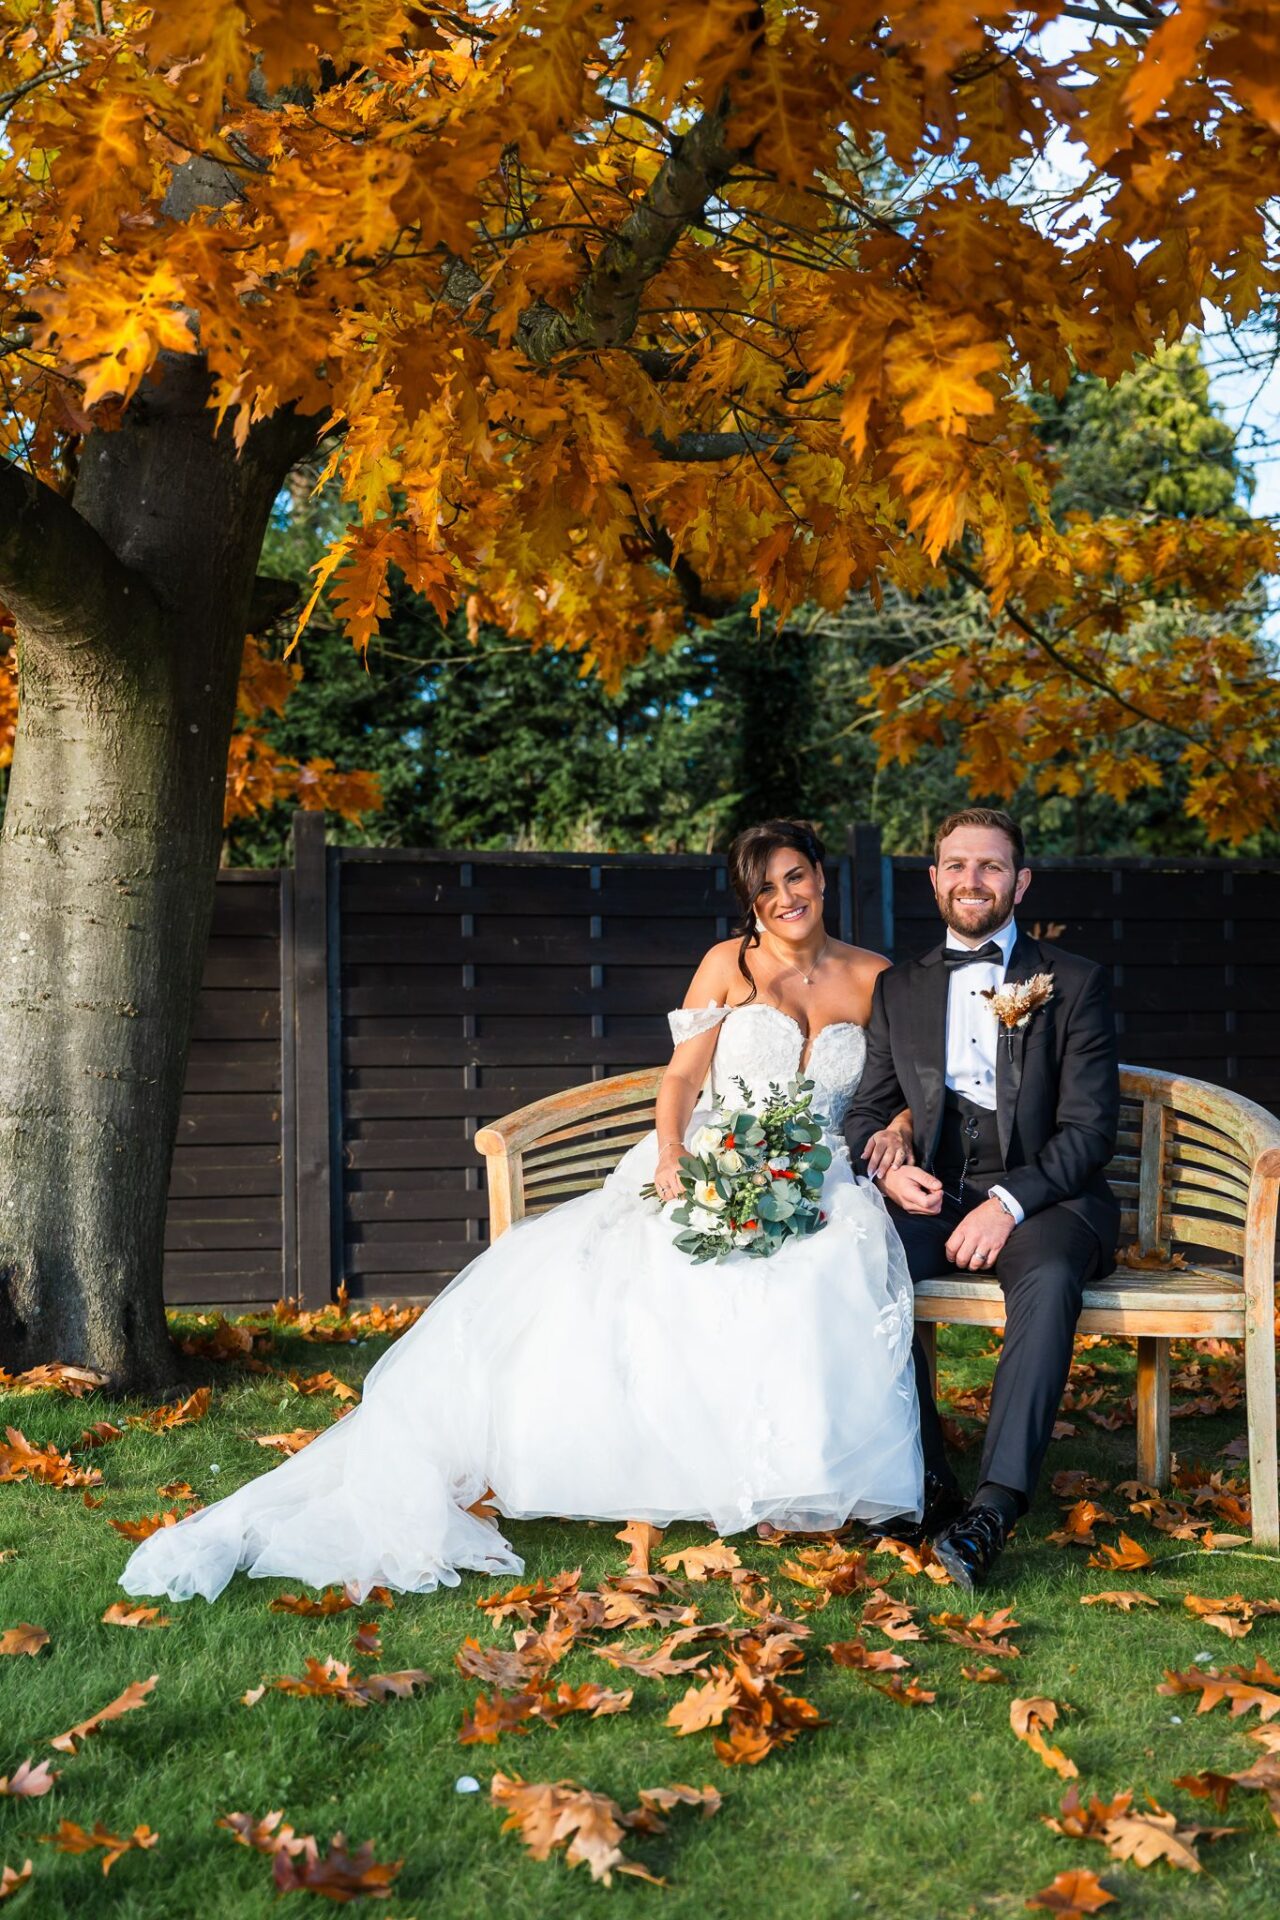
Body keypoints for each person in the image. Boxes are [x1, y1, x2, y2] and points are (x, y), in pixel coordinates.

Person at [121, 819, 923, 1604]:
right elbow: (681, 1078)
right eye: (766, 887)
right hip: (713, 1161)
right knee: (654, 1278)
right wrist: (676, 1151)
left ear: (822, 878)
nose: (786, 896)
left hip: (816, 1175)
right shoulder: (727, 965)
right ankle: (667, 1465)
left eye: (797, 877)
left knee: (826, 1266)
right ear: (748, 902)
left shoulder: (877, 976)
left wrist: (896, 1125)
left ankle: (802, 1473)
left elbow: (912, 1090)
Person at [843, 808, 1120, 1591]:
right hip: (938, 1191)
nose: (972, 880)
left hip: (1049, 1197)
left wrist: (1008, 1202)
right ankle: (928, 1483)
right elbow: (869, 1109)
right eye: (956, 865)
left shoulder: (1074, 983)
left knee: (1048, 1276)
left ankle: (993, 1509)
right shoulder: (899, 988)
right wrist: (889, 1169)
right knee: (863, 1265)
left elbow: (1089, 1132)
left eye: (991, 866)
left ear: (1019, 881)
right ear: (933, 879)